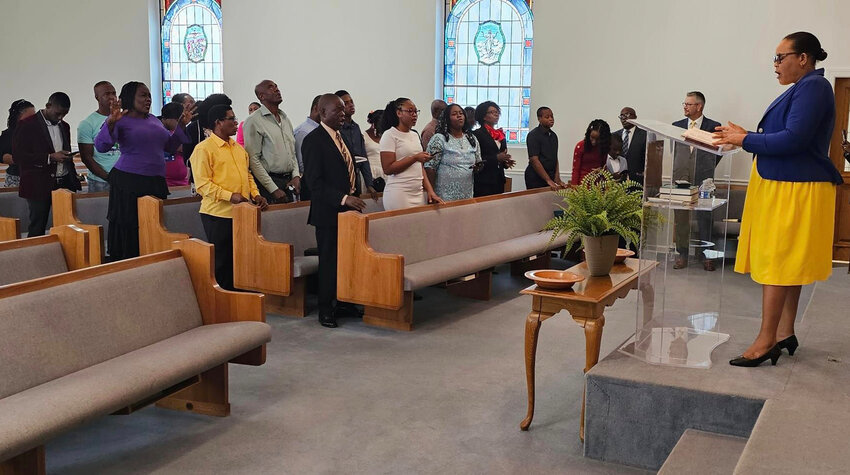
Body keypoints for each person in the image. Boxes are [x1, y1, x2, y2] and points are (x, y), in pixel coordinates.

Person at [714, 31, 843, 367]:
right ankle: (784, 331)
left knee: (778, 263)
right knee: (788, 263)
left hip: (794, 186)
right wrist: (745, 136)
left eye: (780, 57)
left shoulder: (813, 87)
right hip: (787, 183)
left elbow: (793, 140)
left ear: (803, 58)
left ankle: (766, 339)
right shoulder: (804, 89)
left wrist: (745, 139)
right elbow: (784, 137)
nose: (775, 64)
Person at [94, 81, 192, 260]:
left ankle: (152, 261)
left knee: (153, 226)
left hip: (154, 181)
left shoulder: (153, 119)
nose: (148, 99)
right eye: (143, 95)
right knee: (131, 228)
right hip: (129, 181)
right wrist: (110, 122)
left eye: (149, 95)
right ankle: (129, 264)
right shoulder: (120, 119)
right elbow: (101, 146)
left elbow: (169, 147)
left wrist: (181, 126)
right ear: (130, 98)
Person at [302, 93, 367, 328]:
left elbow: (349, 169)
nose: (343, 114)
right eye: (337, 111)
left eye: (343, 110)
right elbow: (314, 182)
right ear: (322, 112)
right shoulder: (313, 140)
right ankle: (325, 308)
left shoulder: (342, 137)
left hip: (348, 212)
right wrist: (343, 199)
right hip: (328, 212)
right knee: (329, 261)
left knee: (347, 259)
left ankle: (345, 301)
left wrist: (354, 195)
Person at [190, 104, 268, 290]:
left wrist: (256, 195)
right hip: (217, 214)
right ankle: (223, 300)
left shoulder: (238, 148)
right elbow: (202, 185)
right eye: (231, 119)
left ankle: (239, 299)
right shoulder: (204, 149)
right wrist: (229, 196)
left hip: (242, 214)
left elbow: (247, 175)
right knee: (222, 261)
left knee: (240, 260)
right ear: (218, 123)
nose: (235, 122)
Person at [13, 92, 82, 236]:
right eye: (58, 113)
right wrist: (49, 157)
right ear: (48, 105)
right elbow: (19, 156)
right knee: (38, 226)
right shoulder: (27, 125)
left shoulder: (65, 126)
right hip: (38, 183)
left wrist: (67, 157)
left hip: (63, 183)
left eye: (64, 114)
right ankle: (35, 257)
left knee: (66, 227)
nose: (60, 118)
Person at [671, 91, 723, 271]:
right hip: (681, 178)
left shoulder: (713, 126)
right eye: (684, 103)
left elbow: (718, 153)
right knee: (681, 217)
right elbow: (676, 153)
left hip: (704, 178)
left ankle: (707, 255)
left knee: (705, 217)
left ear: (699, 106)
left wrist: (706, 168)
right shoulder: (676, 126)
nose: (685, 107)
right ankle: (682, 254)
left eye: (688, 104)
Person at [243, 80, 301, 204]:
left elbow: (292, 152)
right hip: (269, 183)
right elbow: (253, 160)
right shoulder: (253, 121)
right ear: (261, 96)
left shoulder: (285, 119)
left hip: (289, 181)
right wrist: (273, 189)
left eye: (276, 86)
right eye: (270, 87)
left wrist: (296, 175)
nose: (276, 89)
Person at [379, 97, 442, 210]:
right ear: (399, 113)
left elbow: (420, 167)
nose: (414, 115)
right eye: (410, 111)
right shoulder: (389, 135)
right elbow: (388, 168)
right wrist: (414, 158)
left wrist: (430, 191)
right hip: (399, 192)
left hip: (417, 193)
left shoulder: (414, 134)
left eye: (416, 111)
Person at [424, 103, 481, 201]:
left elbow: (478, 162)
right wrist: (431, 192)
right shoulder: (439, 139)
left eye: (461, 113)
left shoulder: (471, 138)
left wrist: (477, 167)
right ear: (447, 119)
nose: (459, 116)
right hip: (444, 195)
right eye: (454, 114)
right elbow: (430, 167)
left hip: (466, 194)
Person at [78, 81, 120, 193]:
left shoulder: (124, 118)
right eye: (107, 94)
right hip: (100, 181)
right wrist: (108, 177)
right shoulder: (87, 124)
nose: (112, 97)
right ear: (97, 97)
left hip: (124, 178)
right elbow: (87, 158)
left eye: (114, 93)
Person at [336, 90, 377, 201]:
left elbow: (363, 157)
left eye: (351, 101)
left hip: (357, 177)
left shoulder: (356, 127)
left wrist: (369, 184)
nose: (351, 105)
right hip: (342, 180)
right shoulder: (337, 129)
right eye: (346, 103)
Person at [472, 101, 514, 196]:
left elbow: (501, 155)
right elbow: (476, 158)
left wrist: (505, 162)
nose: (496, 114)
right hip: (484, 180)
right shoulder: (477, 134)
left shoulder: (500, 134)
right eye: (492, 112)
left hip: (498, 179)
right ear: (484, 116)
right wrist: (496, 158)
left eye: (497, 112)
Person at [524, 106, 565, 190]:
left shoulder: (553, 136)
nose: (551, 119)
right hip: (536, 177)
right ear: (539, 119)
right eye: (547, 117)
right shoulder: (533, 135)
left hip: (550, 176)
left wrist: (557, 178)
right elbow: (534, 160)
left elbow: (555, 158)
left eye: (552, 116)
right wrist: (548, 180)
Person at [0, 99, 35, 188]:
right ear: (18, 117)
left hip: (35, 177)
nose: (32, 121)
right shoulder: (8, 134)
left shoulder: (36, 132)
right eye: (29, 118)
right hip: (16, 178)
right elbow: (4, 157)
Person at [294, 95, 321, 201]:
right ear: (315, 108)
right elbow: (302, 164)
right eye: (324, 110)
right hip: (310, 184)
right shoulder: (303, 131)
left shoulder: (321, 130)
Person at [613, 107, 646, 186]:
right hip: (618, 182)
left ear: (635, 117)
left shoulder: (645, 135)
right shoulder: (614, 136)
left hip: (638, 182)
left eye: (627, 115)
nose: (624, 118)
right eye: (621, 116)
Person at [571, 119, 610, 185]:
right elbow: (576, 170)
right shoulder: (580, 146)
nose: (594, 142)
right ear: (588, 134)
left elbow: (604, 167)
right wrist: (574, 187)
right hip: (582, 185)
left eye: (597, 139)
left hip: (598, 185)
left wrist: (601, 170)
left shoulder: (603, 147)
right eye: (592, 137)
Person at [160, 102, 189, 187]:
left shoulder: (181, 131)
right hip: (166, 181)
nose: (179, 123)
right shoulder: (159, 131)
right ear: (165, 119)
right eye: (177, 120)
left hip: (183, 181)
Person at [363, 109, 385, 185]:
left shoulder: (386, 136)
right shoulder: (363, 136)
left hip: (386, 172)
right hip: (372, 172)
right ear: (373, 124)